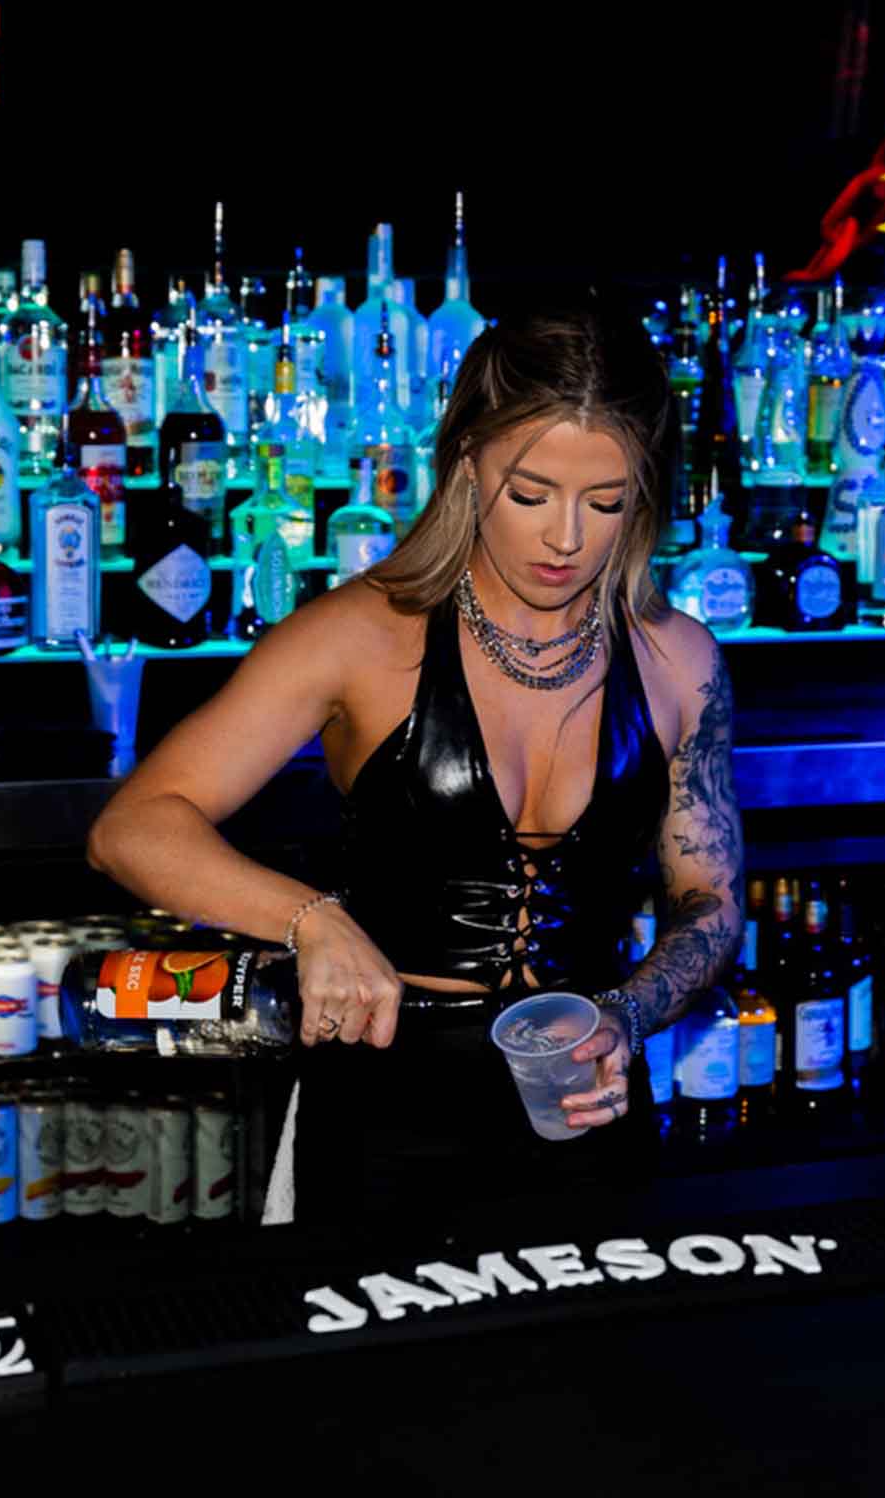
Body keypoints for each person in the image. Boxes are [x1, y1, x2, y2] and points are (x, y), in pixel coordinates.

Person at [86, 302, 743, 1229]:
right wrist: (312, 921)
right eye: (530, 494)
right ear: (467, 461)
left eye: (606, 504)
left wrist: (626, 1017)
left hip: (584, 1104)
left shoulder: (681, 660)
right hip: (384, 1108)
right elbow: (134, 827)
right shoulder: (359, 636)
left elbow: (710, 900)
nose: (565, 539)